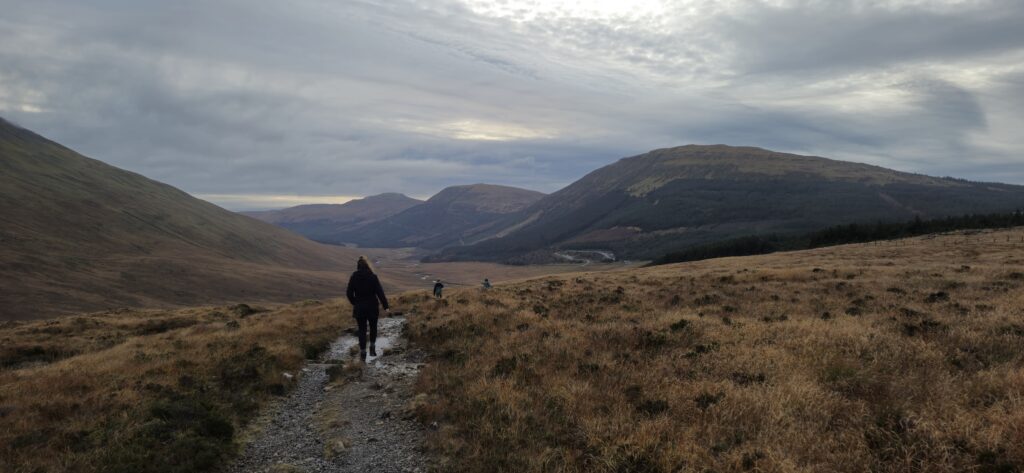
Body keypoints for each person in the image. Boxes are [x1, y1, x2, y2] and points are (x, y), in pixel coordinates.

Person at [346, 256, 389, 361]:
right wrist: (386, 306)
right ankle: (372, 347)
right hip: (372, 307)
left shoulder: (354, 277)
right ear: (367, 265)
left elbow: (349, 293)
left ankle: (363, 353)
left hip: (359, 307)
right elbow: (380, 292)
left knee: (362, 330)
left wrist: (355, 302)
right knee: (373, 327)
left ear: (358, 266)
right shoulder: (373, 276)